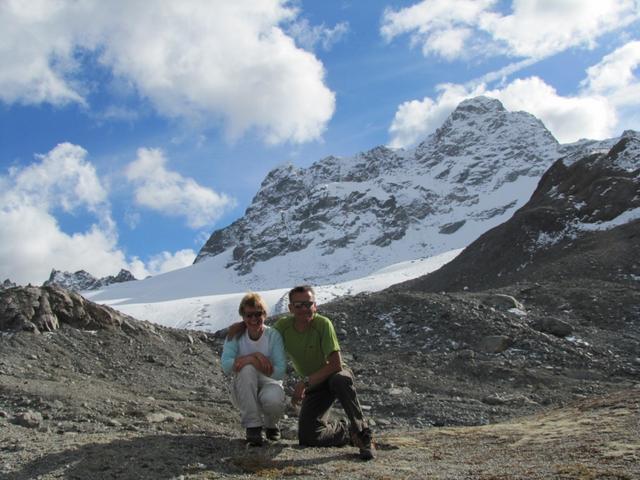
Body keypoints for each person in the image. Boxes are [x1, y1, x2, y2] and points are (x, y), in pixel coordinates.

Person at [273, 285, 375, 460]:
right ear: (290, 308)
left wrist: (304, 383)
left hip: (333, 375)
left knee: (340, 379)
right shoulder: (283, 326)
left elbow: (336, 364)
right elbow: (266, 344)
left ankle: (362, 433)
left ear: (315, 306)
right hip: (316, 384)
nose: (305, 309)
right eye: (299, 305)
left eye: (308, 304)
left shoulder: (323, 324)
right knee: (308, 437)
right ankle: (345, 431)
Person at [221, 292, 286, 446]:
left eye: (258, 314)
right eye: (248, 315)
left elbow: (280, 371)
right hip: (243, 387)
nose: (253, 319)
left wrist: (251, 361)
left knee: (274, 400)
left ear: (264, 314)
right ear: (243, 316)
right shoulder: (235, 335)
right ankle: (253, 427)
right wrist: (254, 357)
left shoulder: (273, 335)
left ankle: (271, 425)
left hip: (270, 383)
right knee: (247, 369)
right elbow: (226, 365)